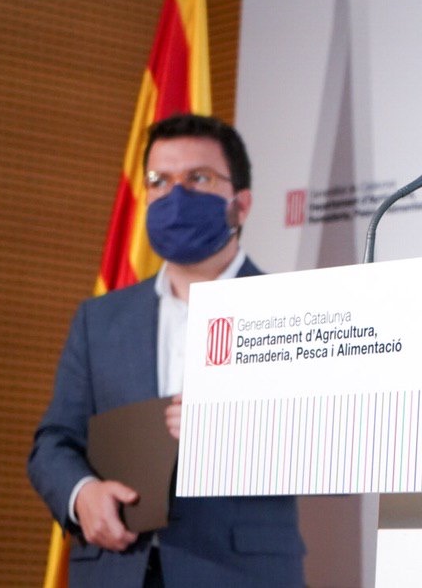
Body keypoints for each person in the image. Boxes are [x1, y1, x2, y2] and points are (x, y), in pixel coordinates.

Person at [28, 114, 305, 587]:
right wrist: (82, 494)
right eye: (159, 181)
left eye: (198, 178)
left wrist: (235, 431)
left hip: (238, 572)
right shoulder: (100, 320)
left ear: (241, 204)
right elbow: (54, 442)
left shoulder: (294, 310)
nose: (176, 196)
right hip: (115, 568)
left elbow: (337, 448)